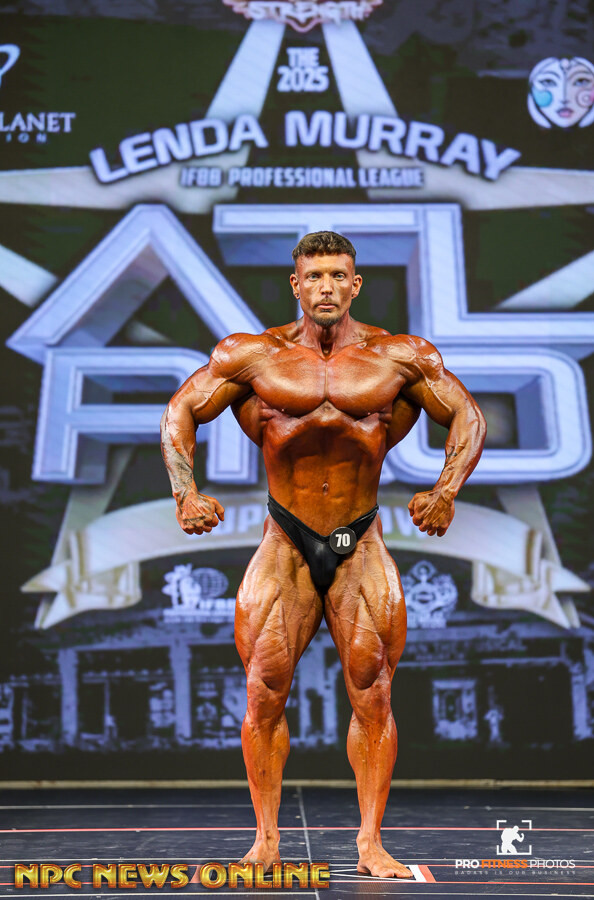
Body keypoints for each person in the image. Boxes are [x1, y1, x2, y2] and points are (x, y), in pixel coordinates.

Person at [160, 231, 486, 878]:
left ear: (355, 284)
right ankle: (266, 841)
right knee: (264, 691)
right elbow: (181, 410)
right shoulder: (252, 355)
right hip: (285, 540)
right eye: (314, 276)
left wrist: (446, 490)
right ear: (296, 285)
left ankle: (370, 844)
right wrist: (184, 492)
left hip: (359, 540)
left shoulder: (400, 356)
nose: (326, 287)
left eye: (338, 275)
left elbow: (468, 416)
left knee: (373, 691)